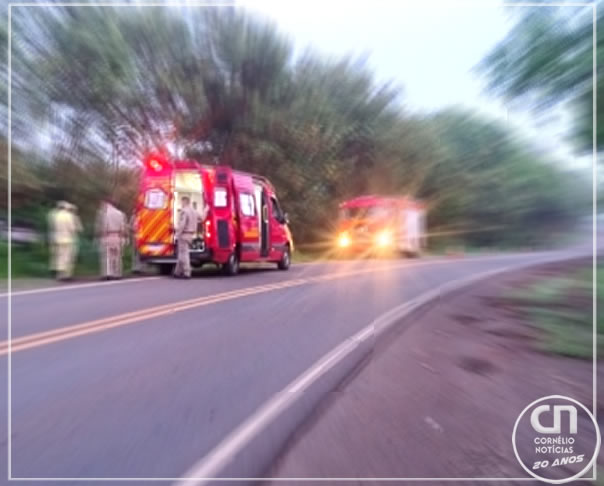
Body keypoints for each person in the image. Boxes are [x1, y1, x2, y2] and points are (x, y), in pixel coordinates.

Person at [95, 198, 127, 280]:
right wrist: (124, 237)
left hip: (107, 236)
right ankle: (117, 274)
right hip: (117, 236)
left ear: (107, 204)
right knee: (117, 256)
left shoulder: (105, 214)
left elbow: (103, 227)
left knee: (107, 257)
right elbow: (123, 227)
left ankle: (108, 274)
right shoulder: (120, 213)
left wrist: (99, 235)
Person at [50, 201, 81, 281]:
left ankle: (59, 274)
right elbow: (72, 228)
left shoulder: (56, 215)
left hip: (58, 238)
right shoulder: (69, 216)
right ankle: (66, 275)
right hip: (68, 239)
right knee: (68, 257)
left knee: (60, 257)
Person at [174, 196, 198, 279]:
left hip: (184, 234)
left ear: (185, 202)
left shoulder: (184, 211)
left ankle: (187, 272)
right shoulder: (194, 211)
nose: (181, 204)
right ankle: (177, 272)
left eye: (182, 202)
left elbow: (182, 224)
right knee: (182, 253)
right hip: (190, 235)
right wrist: (206, 209)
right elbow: (202, 218)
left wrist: (177, 233)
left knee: (183, 254)